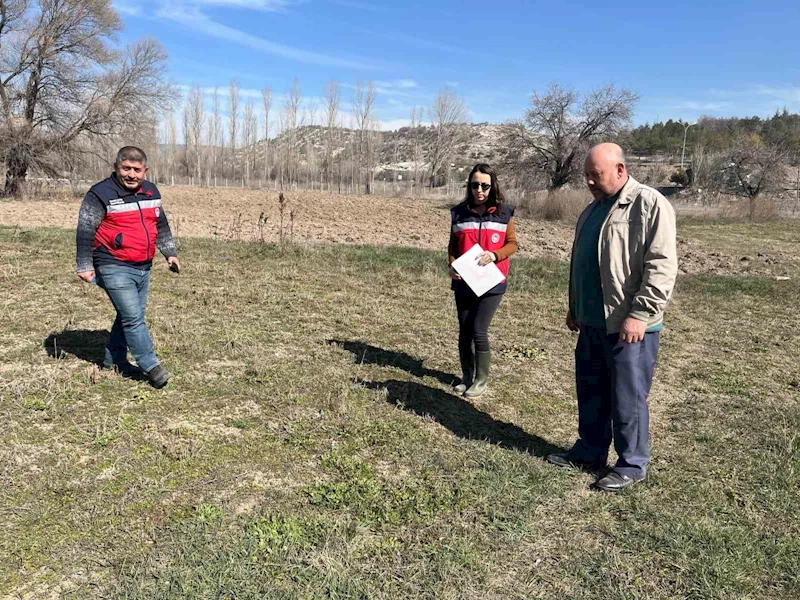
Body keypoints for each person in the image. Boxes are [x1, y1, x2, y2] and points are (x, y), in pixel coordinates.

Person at [547, 143, 678, 492]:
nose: (589, 181)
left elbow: (661, 265)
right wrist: (575, 306)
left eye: (596, 174)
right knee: (590, 391)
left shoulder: (649, 204)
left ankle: (632, 463)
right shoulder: (591, 210)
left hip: (628, 325)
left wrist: (640, 314)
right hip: (591, 322)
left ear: (620, 170)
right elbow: (584, 262)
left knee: (627, 396)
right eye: (586, 175)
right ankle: (589, 450)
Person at [75, 146, 181, 388]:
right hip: (112, 263)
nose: (131, 174)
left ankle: (113, 360)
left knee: (130, 314)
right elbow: (85, 230)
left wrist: (170, 253)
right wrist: (84, 264)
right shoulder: (100, 193)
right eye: (126, 168)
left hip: (143, 265)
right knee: (133, 318)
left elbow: (160, 223)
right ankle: (151, 366)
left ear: (145, 170)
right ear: (116, 167)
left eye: (136, 170)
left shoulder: (151, 191)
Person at [448, 164, 518, 398]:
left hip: (492, 282)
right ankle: (466, 377)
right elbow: (453, 246)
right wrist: (451, 265)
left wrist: (495, 255)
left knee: (479, 329)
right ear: (469, 186)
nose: (480, 189)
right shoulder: (458, 213)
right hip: (464, 281)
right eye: (475, 184)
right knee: (464, 331)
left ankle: (481, 380)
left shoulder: (503, 213)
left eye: (485, 185)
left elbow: (512, 244)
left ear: (492, 186)